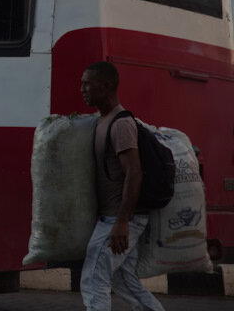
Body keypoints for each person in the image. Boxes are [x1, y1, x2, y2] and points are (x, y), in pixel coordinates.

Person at [79, 61, 165, 311]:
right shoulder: (102, 120)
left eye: (87, 83)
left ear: (106, 86)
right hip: (115, 218)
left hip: (120, 219)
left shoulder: (121, 124)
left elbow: (134, 173)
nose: (81, 89)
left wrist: (122, 222)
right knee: (124, 280)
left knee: (94, 278)